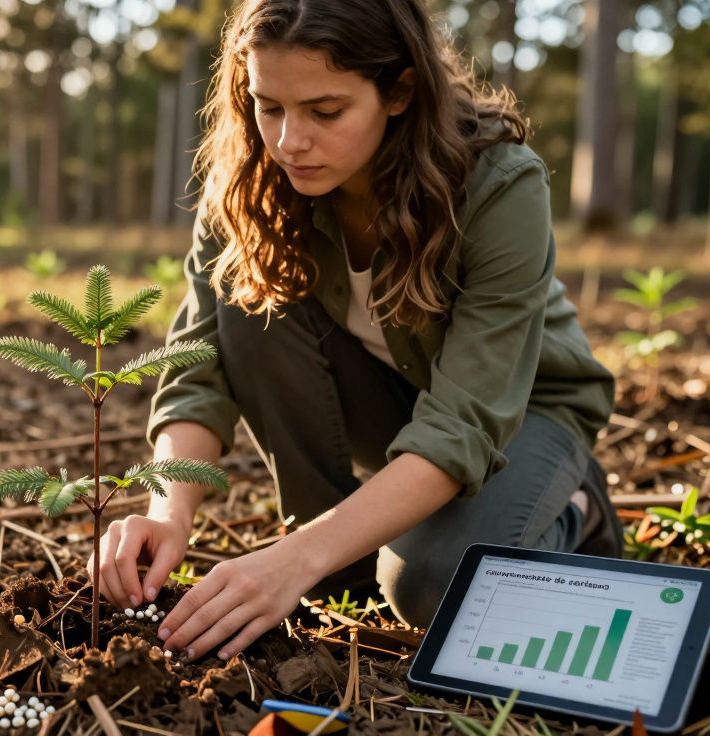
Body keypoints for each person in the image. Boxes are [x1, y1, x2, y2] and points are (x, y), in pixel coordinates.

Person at [86, 0, 622, 663]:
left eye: (325, 111)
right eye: (269, 106)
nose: (288, 141)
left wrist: (290, 559)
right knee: (245, 299)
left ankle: (572, 507)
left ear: (398, 91)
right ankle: (336, 554)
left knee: (427, 584)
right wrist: (168, 512)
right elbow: (199, 367)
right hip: (393, 408)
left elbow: (465, 424)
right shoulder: (253, 180)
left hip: (521, 414)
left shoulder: (498, 185)